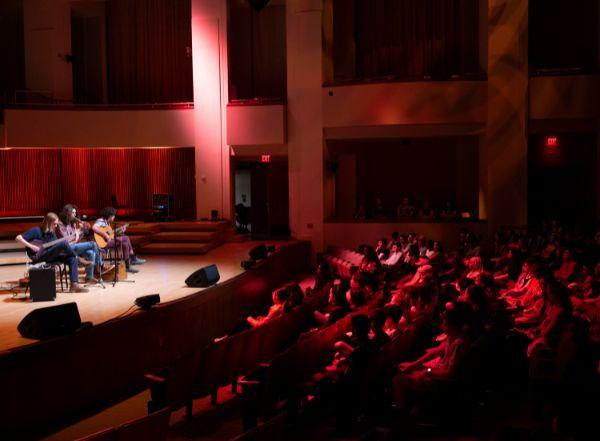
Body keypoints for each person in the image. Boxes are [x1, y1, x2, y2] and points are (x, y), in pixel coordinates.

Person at [15, 212, 88, 293]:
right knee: (64, 244)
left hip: (50, 256)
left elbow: (59, 246)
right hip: (39, 257)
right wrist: (31, 246)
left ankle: (74, 285)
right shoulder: (36, 230)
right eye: (55, 224)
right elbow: (18, 238)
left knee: (71, 258)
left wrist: (74, 239)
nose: (56, 226)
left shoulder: (52, 233)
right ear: (48, 223)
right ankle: (78, 258)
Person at [58, 204, 112, 285]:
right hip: (67, 249)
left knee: (92, 253)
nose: (75, 215)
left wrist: (81, 230)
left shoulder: (71, 223)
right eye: (73, 212)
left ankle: (89, 278)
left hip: (74, 246)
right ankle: (101, 264)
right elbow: (66, 241)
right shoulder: (60, 224)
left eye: (75, 213)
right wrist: (76, 234)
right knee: (93, 244)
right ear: (67, 213)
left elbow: (76, 240)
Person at [93, 207, 145, 273]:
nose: (114, 217)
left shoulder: (107, 224)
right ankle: (132, 257)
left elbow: (111, 235)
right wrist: (105, 235)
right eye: (113, 215)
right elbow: (94, 227)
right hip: (102, 244)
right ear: (110, 215)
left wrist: (120, 231)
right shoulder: (101, 220)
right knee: (126, 238)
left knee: (125, 244)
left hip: (108, 242)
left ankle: (127, 266)